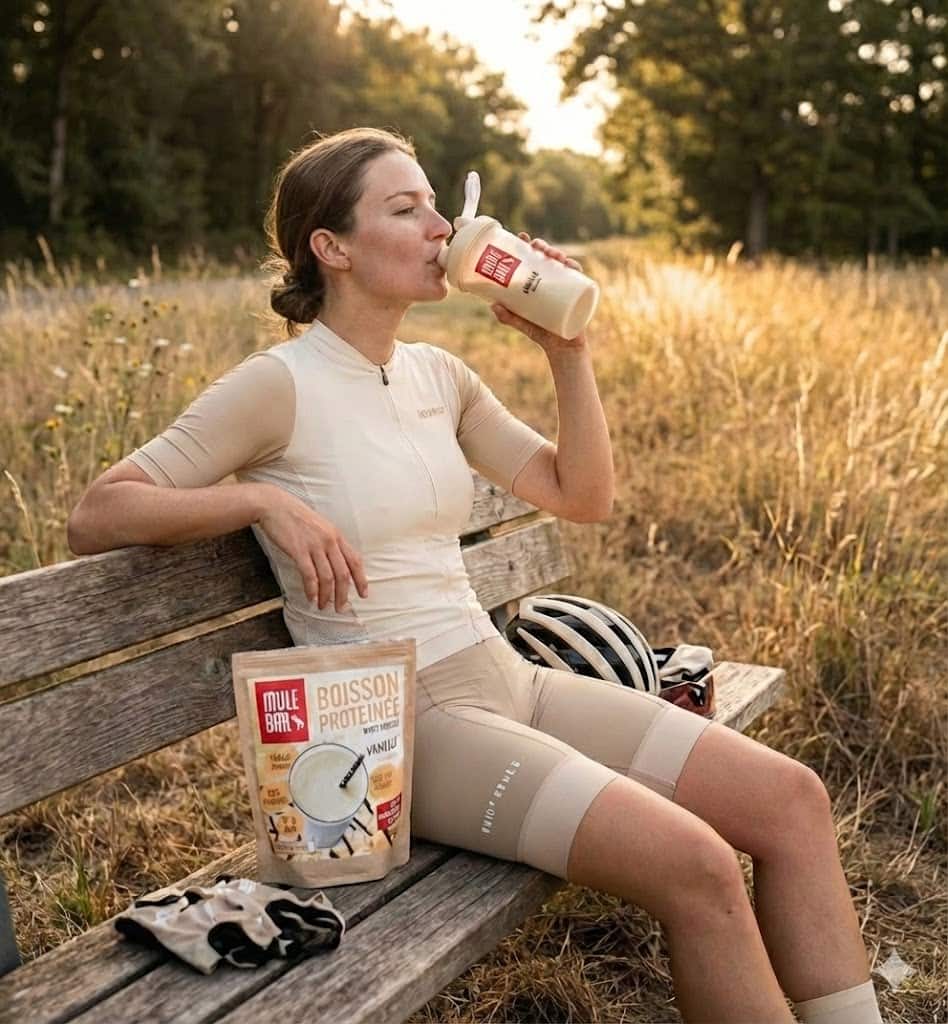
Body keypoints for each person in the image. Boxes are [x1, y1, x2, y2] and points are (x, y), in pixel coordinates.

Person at [66, 127, 882, 1024]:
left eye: (436, 204)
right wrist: (260, 501)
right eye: (405, 207)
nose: (438, 225)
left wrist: (564, 350)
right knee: (698, 868)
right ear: (331, 249)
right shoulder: (279, 385)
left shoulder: (438, 376)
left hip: (509, 681)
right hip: (406, 724)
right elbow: (101, 511)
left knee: (791, 802)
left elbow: (582, 494)